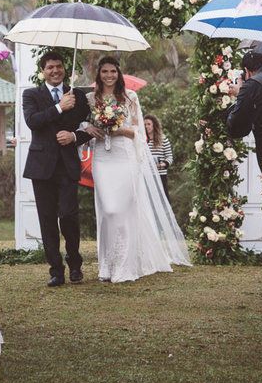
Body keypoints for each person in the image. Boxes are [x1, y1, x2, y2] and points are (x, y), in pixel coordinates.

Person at [85, 56, 191, 283]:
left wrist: (117, 129)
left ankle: (124, 265)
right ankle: (107, 265)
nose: (109, 75)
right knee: (108, 210)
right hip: (102, 157)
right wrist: (89, 127)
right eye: (105, 71)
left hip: (125, 157)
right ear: (99, 74)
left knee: (123, 210)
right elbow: (82, 124)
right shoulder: (90, 98)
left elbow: (138, 132)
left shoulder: (130, 97)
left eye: (113, 71)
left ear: (118, 73)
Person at [21, 51, 93, 287]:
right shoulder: (31, 94)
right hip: (41, 167)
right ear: (43, 71)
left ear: (64, 69)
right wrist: (60, 107)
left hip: (67, 165)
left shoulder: (77, 96)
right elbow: (33, 121)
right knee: (47, 219)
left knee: (69, 216)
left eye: (59, 66)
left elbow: (89, 128)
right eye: (50, 67)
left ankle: (75, 265)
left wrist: (74, 136)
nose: (55, 71)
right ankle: (56, 270)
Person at [143, 114, 173, 201]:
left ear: (154, 125)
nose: (146, 126)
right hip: (148, 175)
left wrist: (162, 164)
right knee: (150, 200)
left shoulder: (163, 139)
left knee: (164, 199)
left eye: (149, 124)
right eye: (144, 124)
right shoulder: (142, 141)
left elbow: (169, 157)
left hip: (161, 174)